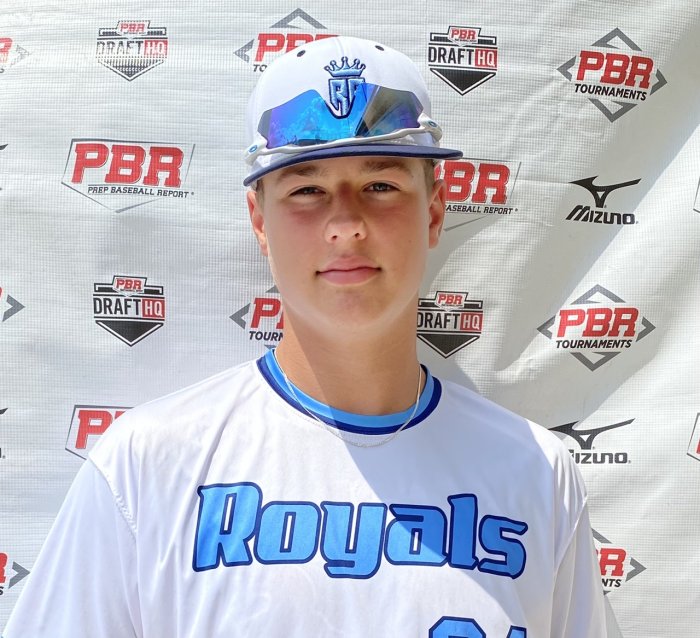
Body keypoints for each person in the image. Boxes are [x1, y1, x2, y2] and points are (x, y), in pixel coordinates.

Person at [3, 36, 607, 637]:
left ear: (432, 211)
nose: (346, 225)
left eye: (381, 185)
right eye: (306, 190)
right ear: (259, 221)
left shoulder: (535, 473)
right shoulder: (147, 465)